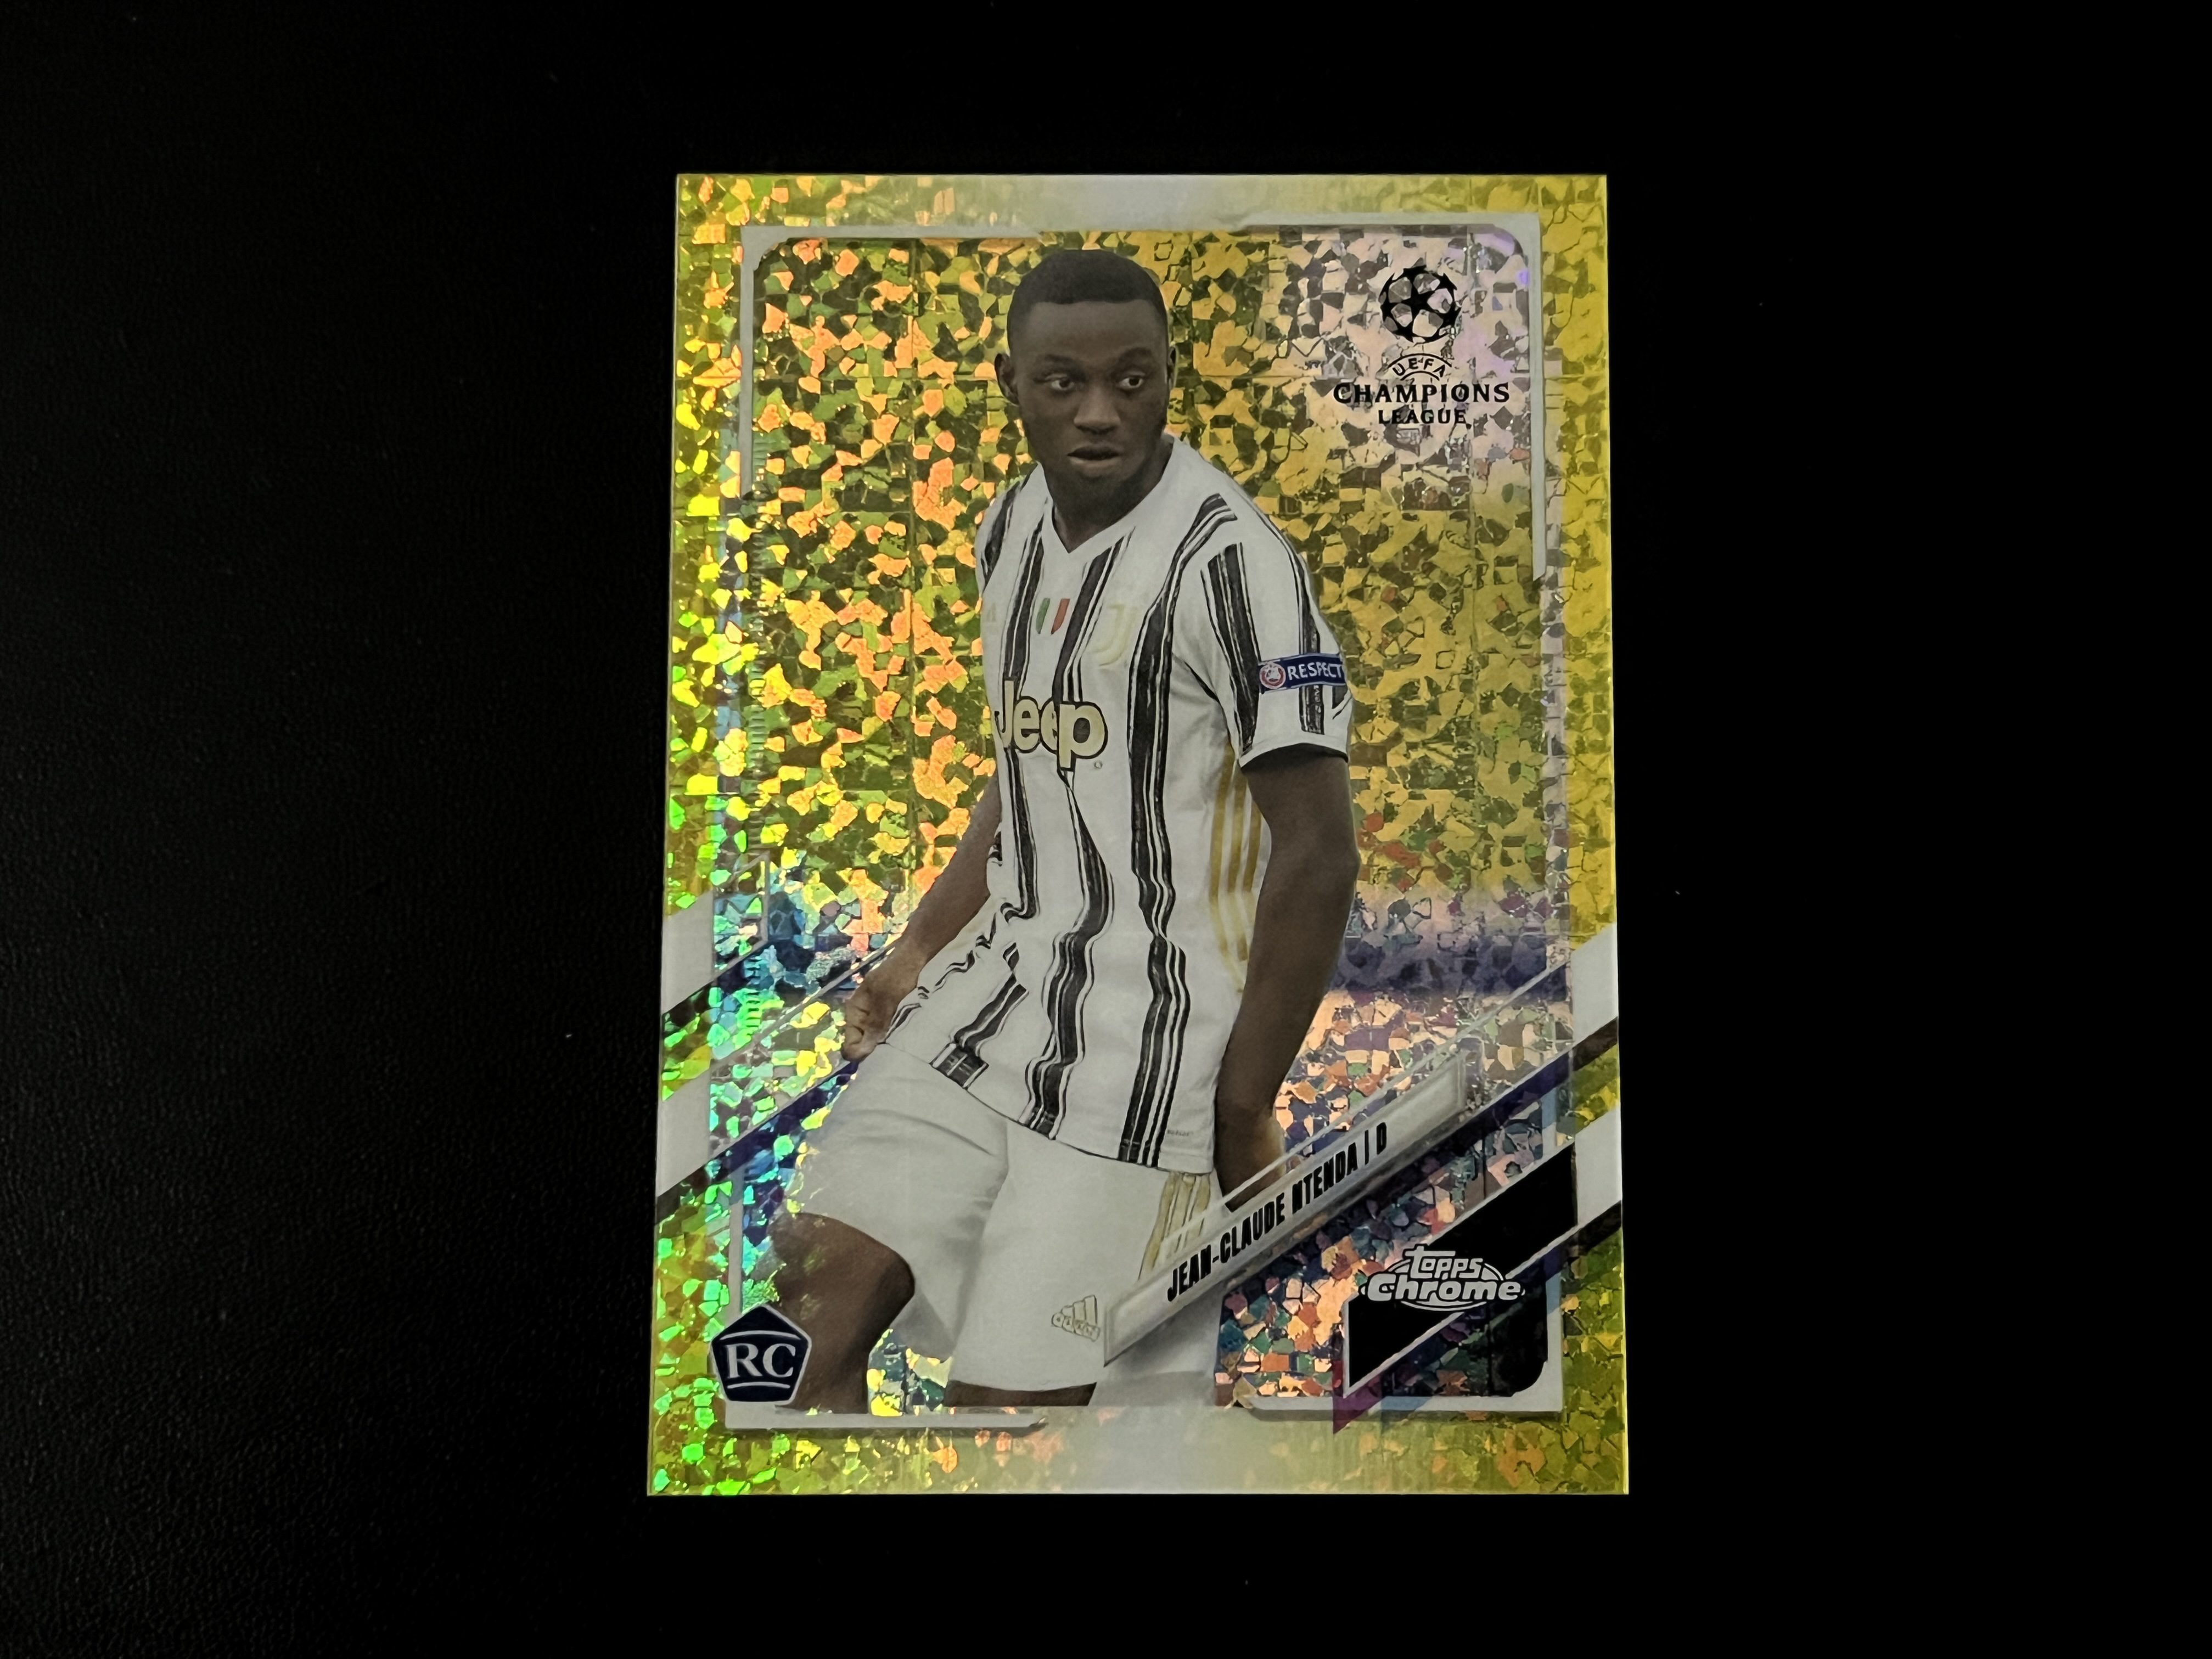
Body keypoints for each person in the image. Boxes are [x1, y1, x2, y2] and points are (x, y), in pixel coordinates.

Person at [769, 249, 1360, 1410]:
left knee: (1006, 1439)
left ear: (1168, 378)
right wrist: (916, 949)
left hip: (1147, 1062)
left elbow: (1319, 851)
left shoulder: (1237, 569)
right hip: (994, 1000)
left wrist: (1242, 1107)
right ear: (1012, 384)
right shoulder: (1008, 528)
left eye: (1131, 381)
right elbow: (1030, 770)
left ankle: (1159, 1417)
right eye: (1063, 382)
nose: (1099, 412)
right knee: (791, 1347)